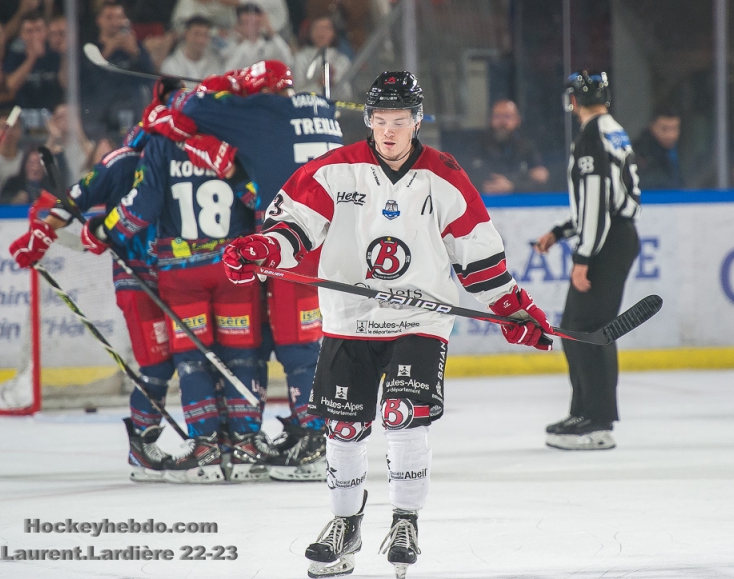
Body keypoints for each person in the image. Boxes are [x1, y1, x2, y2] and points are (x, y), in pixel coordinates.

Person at [222, 71, 553, 578]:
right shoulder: (335, 169)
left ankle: (404, 520)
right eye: (380, 121)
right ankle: (344, 525)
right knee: (344, 426)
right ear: (368, 121)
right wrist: (265, 247)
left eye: (400, 120)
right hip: (349, 320)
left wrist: (512, 308)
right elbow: (295, 227)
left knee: (403, 413)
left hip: (419, 317)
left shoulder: (444, 174)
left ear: (417, 121)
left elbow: (478, 257)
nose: (390, 131)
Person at [148, 60, 343, 481]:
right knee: (310, 342)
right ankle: (318, 431)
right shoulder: (320, 106)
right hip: (336, 237)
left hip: (298, 241)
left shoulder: (260, 112)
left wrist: (228, 82)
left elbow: (188, 108)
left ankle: (314, 441)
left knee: (297, 347)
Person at [6, 81, 191, 482]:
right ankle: (144, 441)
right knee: (157, 364)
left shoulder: (193, 152)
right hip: (139, 276)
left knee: (198, 359)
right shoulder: (125, 160)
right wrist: (38, 237)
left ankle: (210, 440)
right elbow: (73, 199)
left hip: (185, 275)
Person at [85, 99, 269, 484]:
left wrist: (106, 232)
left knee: (192, 361)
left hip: (180, 268)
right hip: (232, 262)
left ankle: (205, 447)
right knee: (241, 354)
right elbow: (259, 197)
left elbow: (145, 205)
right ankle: (246, 444)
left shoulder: (161, 140)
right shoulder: (234, 133)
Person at [535, 71, 641, 451]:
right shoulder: (613, 129)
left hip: (606, 242)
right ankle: (585, 411)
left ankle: (597, 422)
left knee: (589, 330)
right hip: (614, 237)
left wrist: (582, 256)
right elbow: (603, 199)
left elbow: (597, 202)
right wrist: (563, 231)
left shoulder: (592, 136)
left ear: (573, 101)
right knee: (580, 328)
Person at [80, 0, 155, 137]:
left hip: (133, 112)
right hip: (101, 116)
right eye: (109, 17)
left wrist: (135, 53)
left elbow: (149, 77)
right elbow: (86, 82)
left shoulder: (134, 47)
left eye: (119, 17)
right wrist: (106, 53)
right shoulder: (91, 48)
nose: (114, 22)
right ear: (99, 20)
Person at [468, 99, 549, 194]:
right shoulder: (478, 146)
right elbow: (470, 176)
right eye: (497, 116)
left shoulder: (527, 147)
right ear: (490, 120)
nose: (502, 122)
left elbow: (541, 177)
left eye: (507, 117)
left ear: (517, 120)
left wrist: (513, 185)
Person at [2, 11, 64, 112]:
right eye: (29, 31)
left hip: (53, 112)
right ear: (21, 35)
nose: (35, 35)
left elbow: (66, 83)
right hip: (23, 113)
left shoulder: (55, 53)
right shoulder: (15, 55)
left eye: (39, 30)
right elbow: (11, 86)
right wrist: (31, 58)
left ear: (46, 32)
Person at [292, 14, 351, 100]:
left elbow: (348, 95)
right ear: (310, 33)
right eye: (317, 28)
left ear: (333, 33)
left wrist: (334, 82)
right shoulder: (300, 58)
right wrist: (318, 84)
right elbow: (297, 94)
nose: (322, 32)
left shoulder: (343, 60)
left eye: (326, 28)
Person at [222, 3, 292, 71]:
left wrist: (271, 32)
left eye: (256, 23)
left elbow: (288, 61)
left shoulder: (271, 44)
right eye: (247, 22)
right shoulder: (231, 46)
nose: (252, 27)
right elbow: (228, 71)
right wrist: (245, 43)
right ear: (239, 25)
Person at [160, 15, 224, 81]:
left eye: (205, 35)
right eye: (196, 34)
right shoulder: (171, 65)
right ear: (186, 34)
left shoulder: (215, 64)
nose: (201, 40)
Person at [632, 106, 682, 190]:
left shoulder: (683, 149)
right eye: (664, 129)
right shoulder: (640, 152)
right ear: (652, 126)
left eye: (674, 129)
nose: (670, 135)